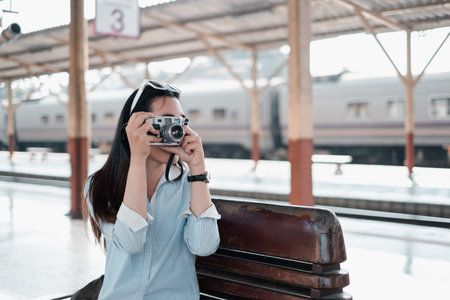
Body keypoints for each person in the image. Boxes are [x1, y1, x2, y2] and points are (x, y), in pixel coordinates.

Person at [82, 80, 221, 300]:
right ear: (135, 127)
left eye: (180, 122)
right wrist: (138, 158)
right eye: (165, 122)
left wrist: (198, 169)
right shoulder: (99, 185)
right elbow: (131, 242)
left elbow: (203, 246)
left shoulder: (190, 184)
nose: (176, 131)